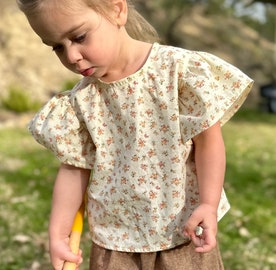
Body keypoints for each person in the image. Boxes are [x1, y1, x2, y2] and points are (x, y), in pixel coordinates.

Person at [17, 0, 253, 269]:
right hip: (115, 243)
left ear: (117, 10)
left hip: (183, 232)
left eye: (79, 37)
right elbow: (74, 169)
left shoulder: (178, 71)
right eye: (57, 47)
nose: (71, 56)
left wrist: (208, 205)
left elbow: (208, 142)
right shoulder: (80, 102)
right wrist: (58, 235)